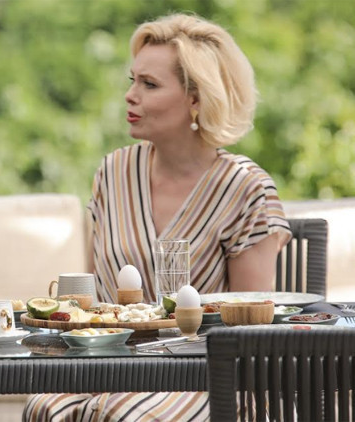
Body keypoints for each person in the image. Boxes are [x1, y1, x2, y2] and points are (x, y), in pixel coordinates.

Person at [24, 13, 291, 421]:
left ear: (197, 99)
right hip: (110, 369)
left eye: (149, 84)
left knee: (124, 415)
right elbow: (92, 301)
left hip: (208, 378)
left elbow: (249, 328)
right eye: (132, 81)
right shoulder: (113, 172)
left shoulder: (245, 187)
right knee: (44, 407)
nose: (130, 95)